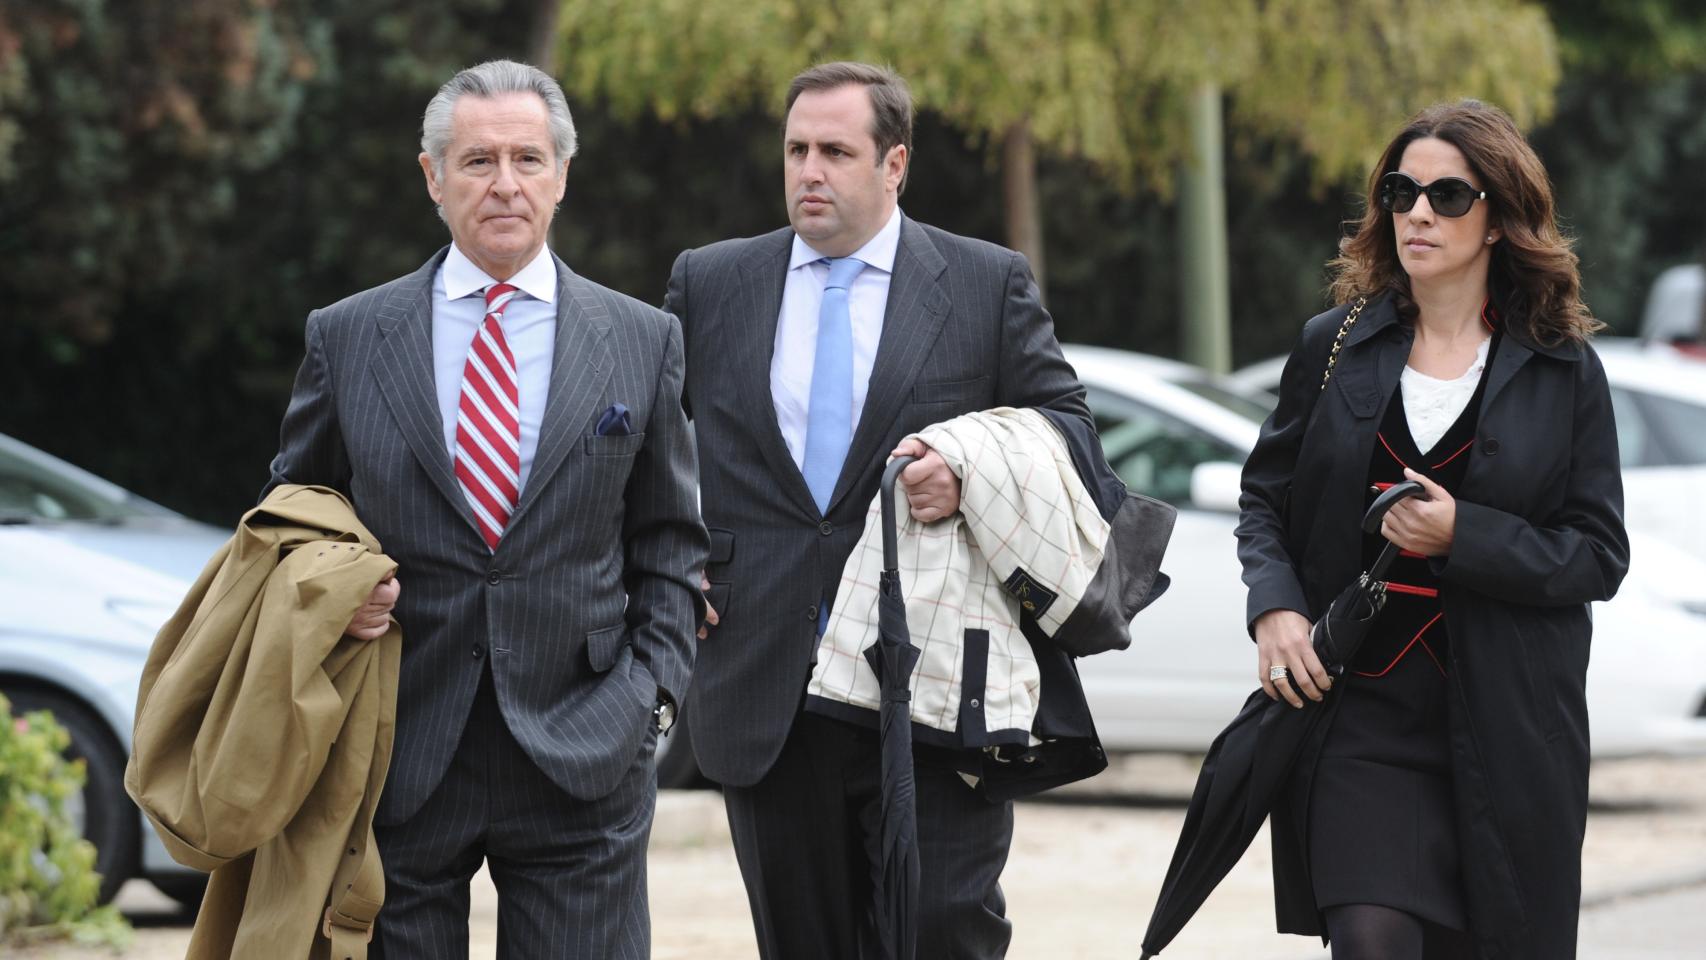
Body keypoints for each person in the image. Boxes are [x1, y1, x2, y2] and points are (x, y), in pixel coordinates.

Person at [264, 59, 706, 958]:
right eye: (477, 162)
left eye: (527, 159)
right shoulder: (348, 337)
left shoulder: (641, 337)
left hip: (586, 748)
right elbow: (289, 517)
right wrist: (333, 591)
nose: (505, 184)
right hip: (396, 744)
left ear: (562, 175)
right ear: (432, 177)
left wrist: (646, 701)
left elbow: (669, 541)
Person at [664, 61, 1094, 959]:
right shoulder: (710, 283)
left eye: (834, 151)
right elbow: (644, 456)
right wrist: (671, 566)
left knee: (942, 934)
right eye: (795, 150)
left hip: (929, 681)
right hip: (765, 682)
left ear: (894, 165)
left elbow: (1071, 435)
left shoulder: (984, 283)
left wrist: (968, 467)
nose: (808, 171)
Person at [1237, 99, 1630, 960]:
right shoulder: (1334, 345)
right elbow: (1266, 497)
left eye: (1448, 196)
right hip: (1359, 718)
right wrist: (1274, 610)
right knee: (1369, 938)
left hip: (1508, 727)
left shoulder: (1564, 370)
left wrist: (1465, 536)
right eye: (1401, 191)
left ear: (1497, 219)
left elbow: (1599, 556)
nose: (1417, 212)